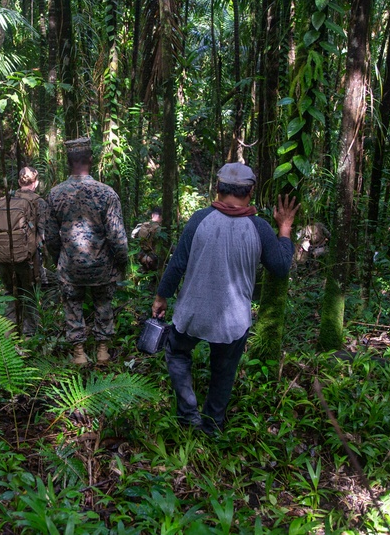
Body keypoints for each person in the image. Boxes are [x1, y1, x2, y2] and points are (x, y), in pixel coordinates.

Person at [151, 162, 298, 435]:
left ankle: (188, 415)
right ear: (251, 192)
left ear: (217, 188)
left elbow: (177, 264)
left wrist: (161, 297)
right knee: (224, 370)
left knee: (177, 352)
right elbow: (280, 267)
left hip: (191, 313)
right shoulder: (260, 228)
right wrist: (285, 228)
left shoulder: (199, 219)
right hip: (233, 321)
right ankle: (212, 425)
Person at [45, 137, 129, 365]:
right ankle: (102, 350)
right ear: (91, 160)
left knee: (72, 306)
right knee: (103, 304)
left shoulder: (55, 194)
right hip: (102, 266)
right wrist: (122, 263)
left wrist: (59, 259)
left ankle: (79, 353)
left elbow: (51, 237)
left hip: (70, 266)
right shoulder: (106, 194)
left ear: (68, 161)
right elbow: (117, 237)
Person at [0, 166, 49, 335]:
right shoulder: (38, 202)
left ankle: (8, 334)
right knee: (30, 295)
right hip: (27, 259)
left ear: (19, 182)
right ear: (36, 183)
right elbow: (43, 235)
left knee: (11, 293)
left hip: (3, 257)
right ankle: (28, 337)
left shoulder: (5, 200)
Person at [131, 207, 164, 273]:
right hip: (153, 259)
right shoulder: (160, 229)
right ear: (160, 216)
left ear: (152, 215)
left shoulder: (140, 225)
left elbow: (133, 236)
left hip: (141, 257)